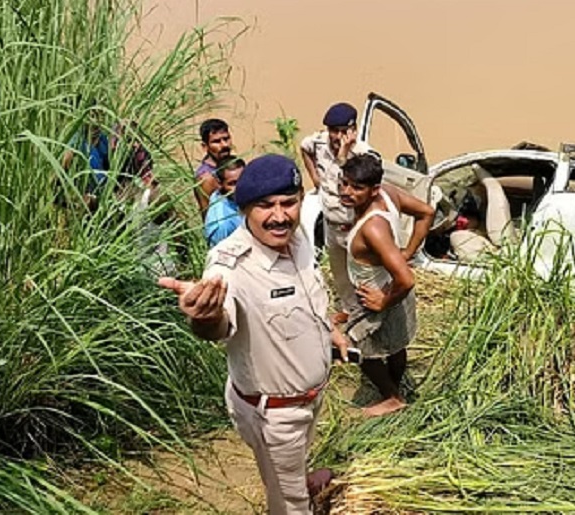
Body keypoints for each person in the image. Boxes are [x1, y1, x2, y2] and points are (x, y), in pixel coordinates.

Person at [159, 154, 349, 515]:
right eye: (265, 206)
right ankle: (293, 495)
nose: (280, 216)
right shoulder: (229, 264)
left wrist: (330, 334)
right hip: (276, 416)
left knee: (288, 472)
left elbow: (309, 301)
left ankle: (296, 479)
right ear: (244, 209)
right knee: (289, 506)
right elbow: (216, 326)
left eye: (288, 203)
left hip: (308, 401)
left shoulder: (300, 238)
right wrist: (205, 316)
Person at [338, 153, 434, 417]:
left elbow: (407, 279)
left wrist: (383, 300)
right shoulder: (390, 194)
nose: (346, 192)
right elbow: (427, 212)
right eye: (343, 183)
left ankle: (392, 396)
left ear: (373, 190)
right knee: (395, 345)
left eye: (356, 188)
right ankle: (395, 384)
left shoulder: (373, 229)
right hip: (392, 288)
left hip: (376, 296)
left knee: (361, 352)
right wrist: (407, 253)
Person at [299, 102, 376, 303]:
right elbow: (303, 147)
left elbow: (355, 185)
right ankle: (348, 309)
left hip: (354, 226)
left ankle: (365, 312)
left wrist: (343, 156)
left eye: (342, 131)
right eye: (333, 130)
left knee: (361, 274)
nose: (336, 136)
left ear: (353, 130)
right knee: (340, 275)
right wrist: (315, 178)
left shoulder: (364, 154)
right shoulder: (319, 142)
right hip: (331, 224)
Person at [194, 118, 234, 212]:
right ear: (205, 146)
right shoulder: (207, 177)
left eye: (226, 138)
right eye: (216, 141)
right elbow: (208, 213)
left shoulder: (231, 164)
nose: (224, 145)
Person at [205, 158, 246, 247]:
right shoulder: (224, 224)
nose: (239, 187)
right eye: (232, 183)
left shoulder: (225, 196)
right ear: (219, 184)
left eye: (242, 180)